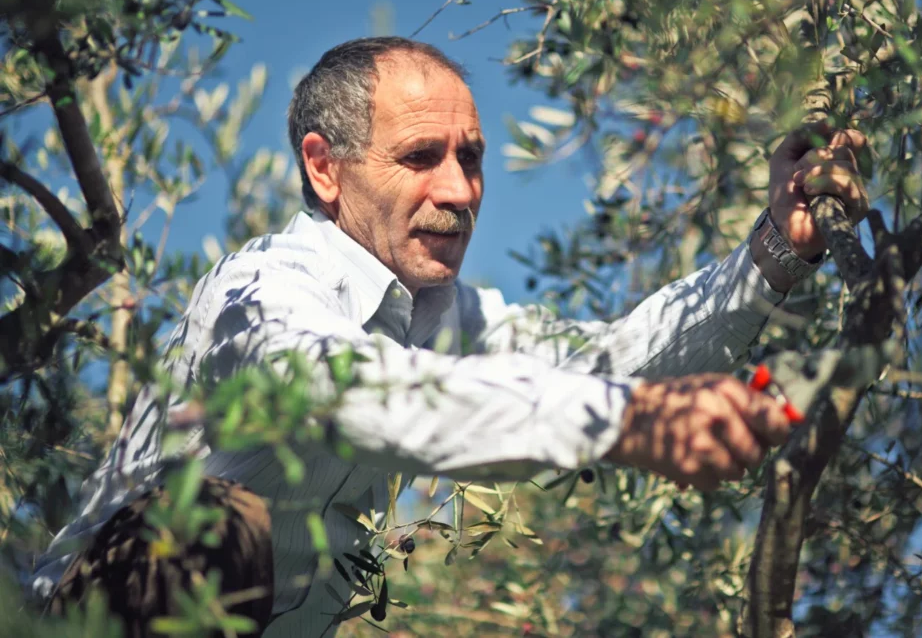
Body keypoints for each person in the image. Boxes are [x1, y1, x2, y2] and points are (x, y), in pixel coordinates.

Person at [31, 37, 869, 636]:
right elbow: (356, 392)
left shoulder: (451, 319)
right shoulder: (261, 290)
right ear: (325, 168)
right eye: (421, 156)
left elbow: (617, 359)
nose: (460, 190)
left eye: (470, 158)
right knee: (215, 525)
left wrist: (774, 249)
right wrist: (629, 423)